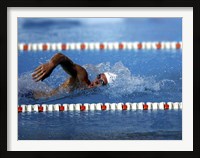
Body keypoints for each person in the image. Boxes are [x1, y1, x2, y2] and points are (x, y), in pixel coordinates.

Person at [32, 53, 117, 99]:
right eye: (99, 76)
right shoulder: (83, 77)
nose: (97, 81)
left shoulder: (87, 92)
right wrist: (51, 65)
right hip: (35, 96)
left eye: (101, 82)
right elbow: (61, 57)